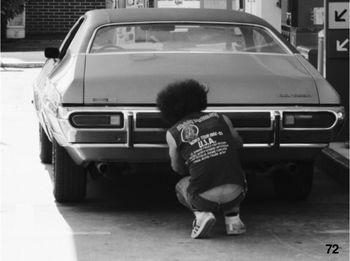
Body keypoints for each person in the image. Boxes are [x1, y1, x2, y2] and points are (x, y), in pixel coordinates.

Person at [156, 79, 247, 239]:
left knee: (181, 185)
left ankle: (201, 215)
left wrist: (196, 159)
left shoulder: (173, 133)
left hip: (205, 199)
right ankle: (233, 221)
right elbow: (238, 143)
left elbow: (177, 168)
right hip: (236, 194)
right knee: (236, 173)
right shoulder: (221, 118)